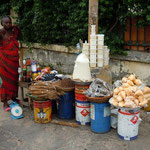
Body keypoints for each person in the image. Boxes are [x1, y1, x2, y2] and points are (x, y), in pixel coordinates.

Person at [0, 16, 21, 111]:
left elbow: (20, 37)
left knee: (14, 80)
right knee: (5, 81)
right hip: (4, 61)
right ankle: (5, 102)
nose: (8, 24)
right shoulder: (1, 33)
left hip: (14, 61)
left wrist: (17, 28)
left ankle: (13, 98)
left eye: (9, 22)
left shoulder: (13, 32)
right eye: (6, 23)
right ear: (2, 24)